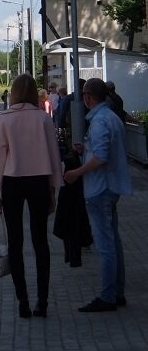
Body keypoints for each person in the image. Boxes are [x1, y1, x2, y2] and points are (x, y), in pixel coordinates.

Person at [0, 74, 62, 319]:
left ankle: (23, 301)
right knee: (40, 241)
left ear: (13, 93)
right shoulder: (43, 119)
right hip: (39, 182)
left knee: (15, 242)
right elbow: (54, 156)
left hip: (11, 183)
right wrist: (54, 189)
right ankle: (42, 302)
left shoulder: (3, 120)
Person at [64, 78, 132, 312]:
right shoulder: (111, 118)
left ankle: (108, 296)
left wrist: (77, 172)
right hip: (111, 187)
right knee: (114, 242)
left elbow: (102, 157)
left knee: (105, 246)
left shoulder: (100, 121)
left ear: (88, 97)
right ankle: (117, 292)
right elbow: (102, 151)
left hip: (100, 189)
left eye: (84, 94)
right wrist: (86, 150)